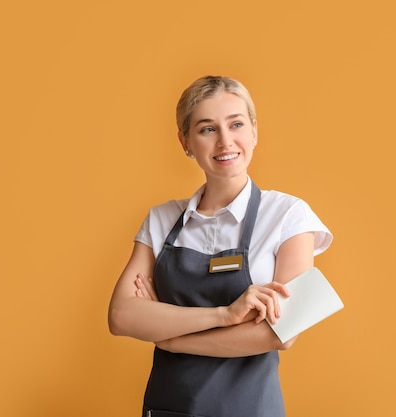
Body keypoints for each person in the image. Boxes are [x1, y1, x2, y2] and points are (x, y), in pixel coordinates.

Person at [108, 75, 333, 417]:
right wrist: (226, 315)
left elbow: (281, 333)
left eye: (236, 124)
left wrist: (171, 338)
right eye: (207, 129)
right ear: (185, 141)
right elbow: (122, 316)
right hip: (169, 409)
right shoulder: (162, 218)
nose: (225, 141)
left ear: (254, 132)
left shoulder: (288, 215)